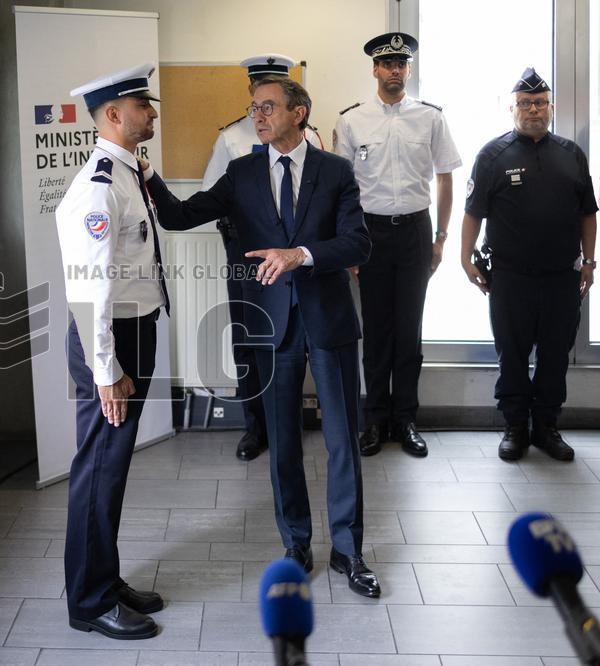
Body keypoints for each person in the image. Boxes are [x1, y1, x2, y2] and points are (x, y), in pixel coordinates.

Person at [145, 77, 381, 598]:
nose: (258, 115)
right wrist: (148, 175)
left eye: (268, 107)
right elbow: (181, 216)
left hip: (328, 321)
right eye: (254, 108)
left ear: (299, 113)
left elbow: (357, 243)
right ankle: (296, 543)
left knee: (342, 442)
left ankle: (349, 551)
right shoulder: (242, 172)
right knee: (283, 445)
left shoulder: (336, 171)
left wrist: (302, 255)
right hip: (271, 327)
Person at [55, 63, 169, 640]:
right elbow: (89, 288)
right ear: (114, 116)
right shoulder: (100, 184)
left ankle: (105, 576)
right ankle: (89, 601)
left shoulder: (129, 171)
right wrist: (107, 371)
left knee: (111, 469)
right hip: (111, 339)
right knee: (98, 469)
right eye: (142, 105)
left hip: (134, 329)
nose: (152, 112)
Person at [333, 32, 462, 458]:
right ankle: (374, 420)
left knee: (409, 331)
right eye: (387, 64)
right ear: (374, 69)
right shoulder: (352, 120)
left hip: (413, 232)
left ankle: (405, 419)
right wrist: (348, 244)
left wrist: (441, 237)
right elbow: (344, 189)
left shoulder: (430, 117)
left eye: (401, 64)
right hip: (369, 234)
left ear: (408, 69)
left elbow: (445, 177)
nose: (395, 71)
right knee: (376, 330)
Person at [460, 68, 596, 462]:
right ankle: (515, 427)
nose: (533, 109)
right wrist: (465, 258)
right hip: (509, 278)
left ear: (550, 107)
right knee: (513, 354)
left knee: (556, 353)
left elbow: (588, 213)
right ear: (512, 108)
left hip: (562, 277)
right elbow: (473, 213)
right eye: (525, 103)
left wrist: (589, 261)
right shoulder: (492, 154)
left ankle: (547, 427)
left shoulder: (571, 153)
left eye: (540, 102)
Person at [203, 54, 323, 462]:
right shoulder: (232, 138)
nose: (261, 98)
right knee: (249, 342)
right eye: (257, 88)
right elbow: (211, 198)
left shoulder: (316, 136)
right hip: (245, 254)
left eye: (272, 87)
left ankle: (287, 424)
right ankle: (255, 427)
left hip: (295, 257)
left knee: (293, 339)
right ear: (249, 90)